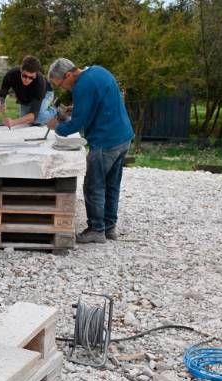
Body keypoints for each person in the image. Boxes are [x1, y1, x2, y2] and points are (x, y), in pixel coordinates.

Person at [46, 58, 134, 244]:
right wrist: (77, 108)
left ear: (68, 75)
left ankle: (96, 229)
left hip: (106, 141)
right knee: (111, 184)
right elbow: (101, 100)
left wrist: (58, 127)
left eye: (61, 83)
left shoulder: (82, 86)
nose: (64, 88)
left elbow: (78, 124)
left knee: (94, 186)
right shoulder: (98, 71)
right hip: (123, 137)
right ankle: (109, 227)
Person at [0, 55, 57, 128]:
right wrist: (1, 102)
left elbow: (34, 114)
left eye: (31, 77)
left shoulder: (40, 82)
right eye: (25, 76)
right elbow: (2, 92)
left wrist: (13, 122)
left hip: (46, 93)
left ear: (36, 73)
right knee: (26, 121)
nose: (27, 80)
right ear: (21, 69)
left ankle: (56, 110)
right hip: (25, 97)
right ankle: (43, 118)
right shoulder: (11, 74)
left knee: (37, 118)